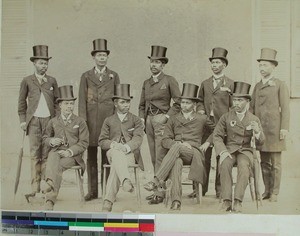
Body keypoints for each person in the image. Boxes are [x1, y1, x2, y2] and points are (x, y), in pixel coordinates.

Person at [143, 83, 214, 210]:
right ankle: (176, 201)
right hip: (177, 153)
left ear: (194, 105)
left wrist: (207, 143)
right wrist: (178, 144)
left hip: (194, 153)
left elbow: (217, 131)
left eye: (187, 103)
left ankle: (156, 180)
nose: (184, 105)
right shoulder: (174, 118)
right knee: (176, 161)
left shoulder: (202, 118)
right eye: (182, 102)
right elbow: (164, 140)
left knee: (176, 148)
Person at [78, 39, 120, 201]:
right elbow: (82, 101)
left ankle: (108, 191)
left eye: (104, 55)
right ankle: (93, 191)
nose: (102, 58)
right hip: (91, 123)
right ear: (94, 57)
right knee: (91, 157)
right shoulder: (86, 76)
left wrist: (116, 121)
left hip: (108, 122)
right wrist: (83, 123)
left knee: (107, 156)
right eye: (99, 55)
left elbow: (118, 99)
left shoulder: (114, 76)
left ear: (107, 57)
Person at [138, 45, 181, 204]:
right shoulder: (146, 82)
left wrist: (166, 117)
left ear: (163, 65)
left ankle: (160, 192)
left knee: (161, 155)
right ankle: (157, 190)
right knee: (153, 155)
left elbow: (178, 102)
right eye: (152, 62)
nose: (154, 65)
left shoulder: (169, 80)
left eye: (157, 62)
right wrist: (142, 119)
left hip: (162, 121)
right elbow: (141, 104)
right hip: (149, 121)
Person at [214, 82, 265, 213]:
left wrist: (257, 131)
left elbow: (261, 142)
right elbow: (217, 136)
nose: (236, 103)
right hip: (229, 149)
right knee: (224, 164)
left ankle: (238, 201)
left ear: (247, 101)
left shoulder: (253, 119)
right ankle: (226, 201)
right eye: (235, 100)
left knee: (244, 166)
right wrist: (222, 151)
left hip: (245, 151)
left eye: (240, 100)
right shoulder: (226, 117)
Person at [18, 45, 59, 202]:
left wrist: (56, 121)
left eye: (46, 63)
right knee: (35, 155)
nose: (44, 66)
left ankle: (45, 186)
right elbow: (21, 103)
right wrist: (23, 121)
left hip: (49, 121)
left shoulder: (52, 81)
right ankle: (34, 188)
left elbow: (57, 102)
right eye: (41, 63)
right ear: (34, 63)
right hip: (33, 121)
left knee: (47, 154)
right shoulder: (27, 81)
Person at [250, 48, 290, 202]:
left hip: (275, 130)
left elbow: (285, 108)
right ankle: (267, 190)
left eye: (265, 65)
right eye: (260, 65)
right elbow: (252, 108)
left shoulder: (280, 85)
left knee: (276, 164)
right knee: (264, 162)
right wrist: (253, 126)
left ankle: (275, 192)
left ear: (273, 67)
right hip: (261, 131)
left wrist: (284, 128)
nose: (262, 68)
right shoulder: (257, 86)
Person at [42, 85, 89, 210]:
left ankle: (50, 194)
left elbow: (84, 142)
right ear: (60, 105)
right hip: (56, 153)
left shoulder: (80, 121)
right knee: (53, 156)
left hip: (73, 156)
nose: (70, 107)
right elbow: (45, 138)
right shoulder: (53, 121)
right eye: (67, 104)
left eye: (72, 104)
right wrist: (52, 141)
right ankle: (51, 189)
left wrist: (70, 151)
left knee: (54, 165)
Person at [196, 47, 234, 198]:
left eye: (218, 62)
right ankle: (201, 189)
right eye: (213, 62)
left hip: (222, 124)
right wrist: (200, 110)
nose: (214, 65)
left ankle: (219, 190)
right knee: (203, 155)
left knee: (221, 156)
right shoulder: (205, 83)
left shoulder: (230, 84)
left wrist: (228, 121)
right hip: (206, 124)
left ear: (224, 65)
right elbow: (199, 100)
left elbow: (233, 105)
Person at [99, 84, 144, 212]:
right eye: (123, 102)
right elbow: (101, 141)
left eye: (128, 102)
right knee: (116, 154)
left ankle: (108, 201)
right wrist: (114, 145)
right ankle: (125, 180)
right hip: (112, 153)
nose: (126, 105)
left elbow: (138, 139)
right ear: (115, 103)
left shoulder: (135, 120)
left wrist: (125, 147)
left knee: (117, 163)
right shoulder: (108, 120)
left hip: (129, 154)